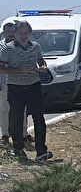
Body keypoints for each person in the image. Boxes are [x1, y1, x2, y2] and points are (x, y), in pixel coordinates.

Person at [0, 20, 52, 160]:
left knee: (38, 118)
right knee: (16, 118)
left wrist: (42, 66)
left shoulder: (35, 46)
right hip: (15, 87)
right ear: (15, 34)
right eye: (21, 33)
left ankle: (41, 151)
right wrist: (18, 70)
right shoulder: (7, 49)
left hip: (33, 85)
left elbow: (40, 60)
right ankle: (18, 150)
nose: (23, 36)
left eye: (26, 33)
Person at [0, 21, 14, 147]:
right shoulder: (0, 46)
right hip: (3, 82)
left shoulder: (19, 46)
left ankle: (23, 133)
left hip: (18, 82)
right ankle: (4, 134)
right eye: (7, 31)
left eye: (12, 31)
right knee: (4, 109)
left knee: (21, 110)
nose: (10, 34)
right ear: (4, 32)